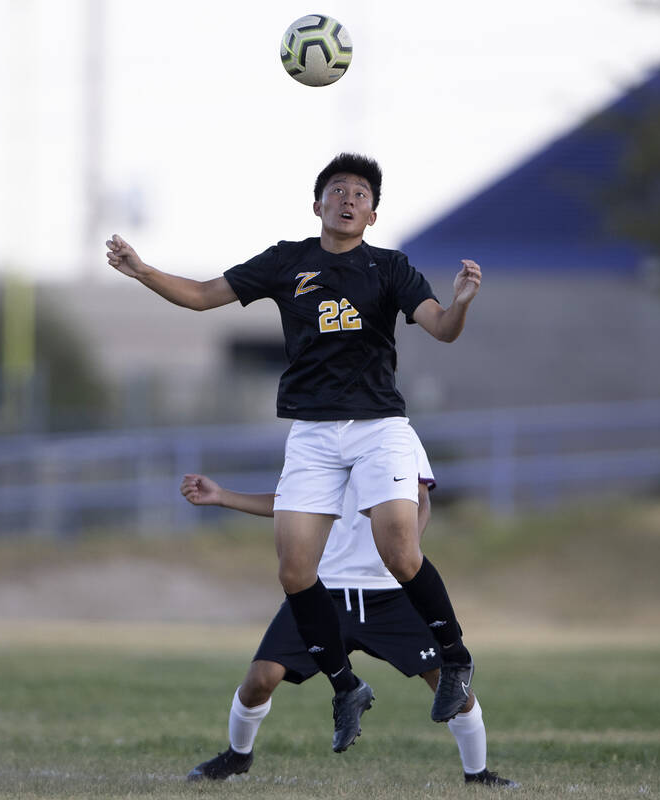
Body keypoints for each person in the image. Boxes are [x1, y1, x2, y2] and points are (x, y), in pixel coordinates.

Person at [106, 153, 481, 752]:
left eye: (360, 192)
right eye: (338, 189)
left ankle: (456, 658)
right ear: (318, 205)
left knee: (399, 550)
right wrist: (143, 270)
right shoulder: (288, 260)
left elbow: (440, 326)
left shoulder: (390, 267)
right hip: (310, 431)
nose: (349, 198)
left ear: (373, 213)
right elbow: (204, 296)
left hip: (377, 424)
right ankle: (344, 687)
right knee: (295, 571)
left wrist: (460, 302)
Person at [178, 434, 516, 787]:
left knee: (447, 681)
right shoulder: (315, 438)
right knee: (260, 680)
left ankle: (477, 774)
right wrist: (222, 497)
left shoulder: (394, 434)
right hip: (322, 593)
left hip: (389, 595)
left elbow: (420, 501)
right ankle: (238, 754)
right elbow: (290, 504)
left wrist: (404, 553)